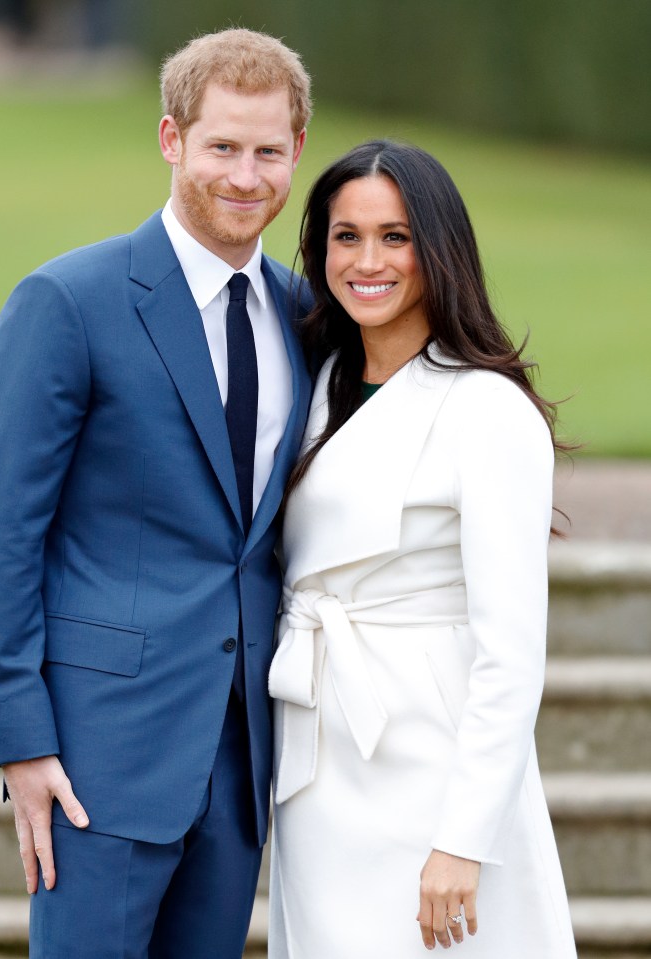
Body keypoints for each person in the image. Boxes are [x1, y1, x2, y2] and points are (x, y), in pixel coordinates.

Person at [0, 28, 312, 959]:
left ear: (296, 153)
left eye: (267, 150)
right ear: (171, 140)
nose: (245, 174)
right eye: (222, 146)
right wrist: (21, 743)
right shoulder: (68, 301)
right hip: (95, 761)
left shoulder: (305, 315)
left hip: (240, 764)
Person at [267, 140, 577, 958]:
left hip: (432, 771)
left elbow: (511, 654)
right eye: (346, 236)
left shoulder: (486, 409)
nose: (368, 261)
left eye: (395, 237)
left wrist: (464, 839)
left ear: (439, 249)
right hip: (319, 761)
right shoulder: (315, 385)